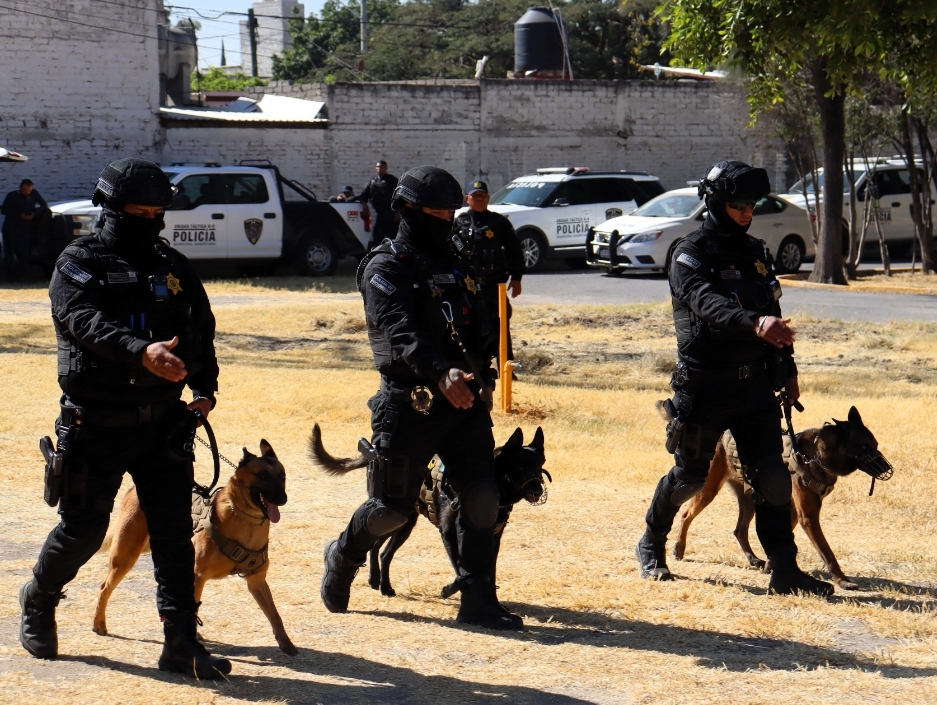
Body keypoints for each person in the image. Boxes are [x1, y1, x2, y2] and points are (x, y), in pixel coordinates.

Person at [19, 158, 232, 678]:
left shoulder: (172, 265)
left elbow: (200, 329)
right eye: (139, 212)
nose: (150, 220)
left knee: (173, 534)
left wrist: (204, 390)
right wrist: (141, 351)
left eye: (157, 212)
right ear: (111, 208)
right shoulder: (79, 261)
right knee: (85, 531)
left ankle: (180, 642)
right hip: (96, 422)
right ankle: (39, 599)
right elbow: (82, 320)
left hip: (163, 424)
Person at [320, 165, 522, 630]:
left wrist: (485, 371)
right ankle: (343, 554)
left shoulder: (458, 260)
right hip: (410, 403)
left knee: (483, 495)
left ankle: (478, 601)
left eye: (450, 213)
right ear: (408, 211)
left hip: (464, 402)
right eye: (436, 214)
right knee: (391, 509)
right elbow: (399, 331)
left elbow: (482, 321)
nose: (447, 221)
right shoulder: (385, 266)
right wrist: (439, 371)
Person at [634, 160, 833, 597]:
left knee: (773, 478)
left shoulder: (756, 252)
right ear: (714, 202)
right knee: (689, 477)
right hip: (706, 386)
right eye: (737, 204)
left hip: (755, 387)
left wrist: (788, 368)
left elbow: (774, 311)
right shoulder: (689, 253)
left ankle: (785, 569)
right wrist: (754, 323)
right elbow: (706, 302)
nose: (746, 212)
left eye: (752, 204)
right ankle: (651, 541)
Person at [452, 180, 524, 363]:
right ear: (467, 199)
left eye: (483, 196)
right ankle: (475, 366)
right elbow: (447, 251)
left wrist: (516, 278)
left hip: (494, 286)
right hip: (467, 287)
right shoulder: (459, 222)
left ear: (488, 198)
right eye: (475, 196)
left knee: (500, 325)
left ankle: (506, 366)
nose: (479, 199)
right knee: (469, 327)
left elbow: (515, 251)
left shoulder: (499, 222)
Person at [1, 179, 48, 282]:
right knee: (9, 254)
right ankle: (11, 278)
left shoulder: (34, 194)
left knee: (24, 255)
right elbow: (4, 210)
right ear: (20, 188)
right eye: (25, 190)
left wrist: (34, 214)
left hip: (25, 229)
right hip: (11, 229)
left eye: (29, 191)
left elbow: (44, 205)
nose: (27, 193)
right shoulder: (12, 195)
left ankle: (18, 276)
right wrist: (18, 214)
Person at [359, 160, 399, 249]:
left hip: (392, 216)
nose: (379, 169)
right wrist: (364, 204)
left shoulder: (392, 180)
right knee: (376, 241)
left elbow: (401, 196)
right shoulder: (373, 182)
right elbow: (363, 195)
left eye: (381, 167)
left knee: (395, 242)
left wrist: (399, 212)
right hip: (381, 216)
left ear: (386, 168)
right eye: (378, 167)